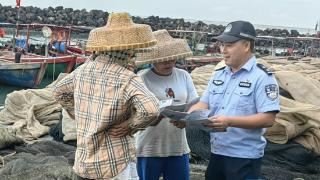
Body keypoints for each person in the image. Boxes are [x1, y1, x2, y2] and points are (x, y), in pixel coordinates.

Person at [52, 12, 160, 179]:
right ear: (128, 50)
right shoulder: (127, 77)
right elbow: (151, 110)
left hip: (83, 162)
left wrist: (77, 113)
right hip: (114, 163)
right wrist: (130, 125)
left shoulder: (82, 71)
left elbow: (58, 91)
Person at [188, 21, 280, 180]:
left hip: (244, 157)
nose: (223, 50)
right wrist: (187, 117)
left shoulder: (263, 77)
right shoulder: (219, 74)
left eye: (229, 45)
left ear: (246, 45)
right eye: (222, 45)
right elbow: (204, 103)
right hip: (217, 152)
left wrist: (229, 121)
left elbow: (268, 119)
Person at [134, 29, 198, 180]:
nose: (168, 62)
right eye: (162, 59)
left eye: (171, 58)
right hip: (148, 148)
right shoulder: (142, 79)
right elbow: (135, 113)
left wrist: (187, 118)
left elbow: (195, 103)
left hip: (177, 147)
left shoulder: (183, 75)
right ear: (153, 59)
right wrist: (155, 116)